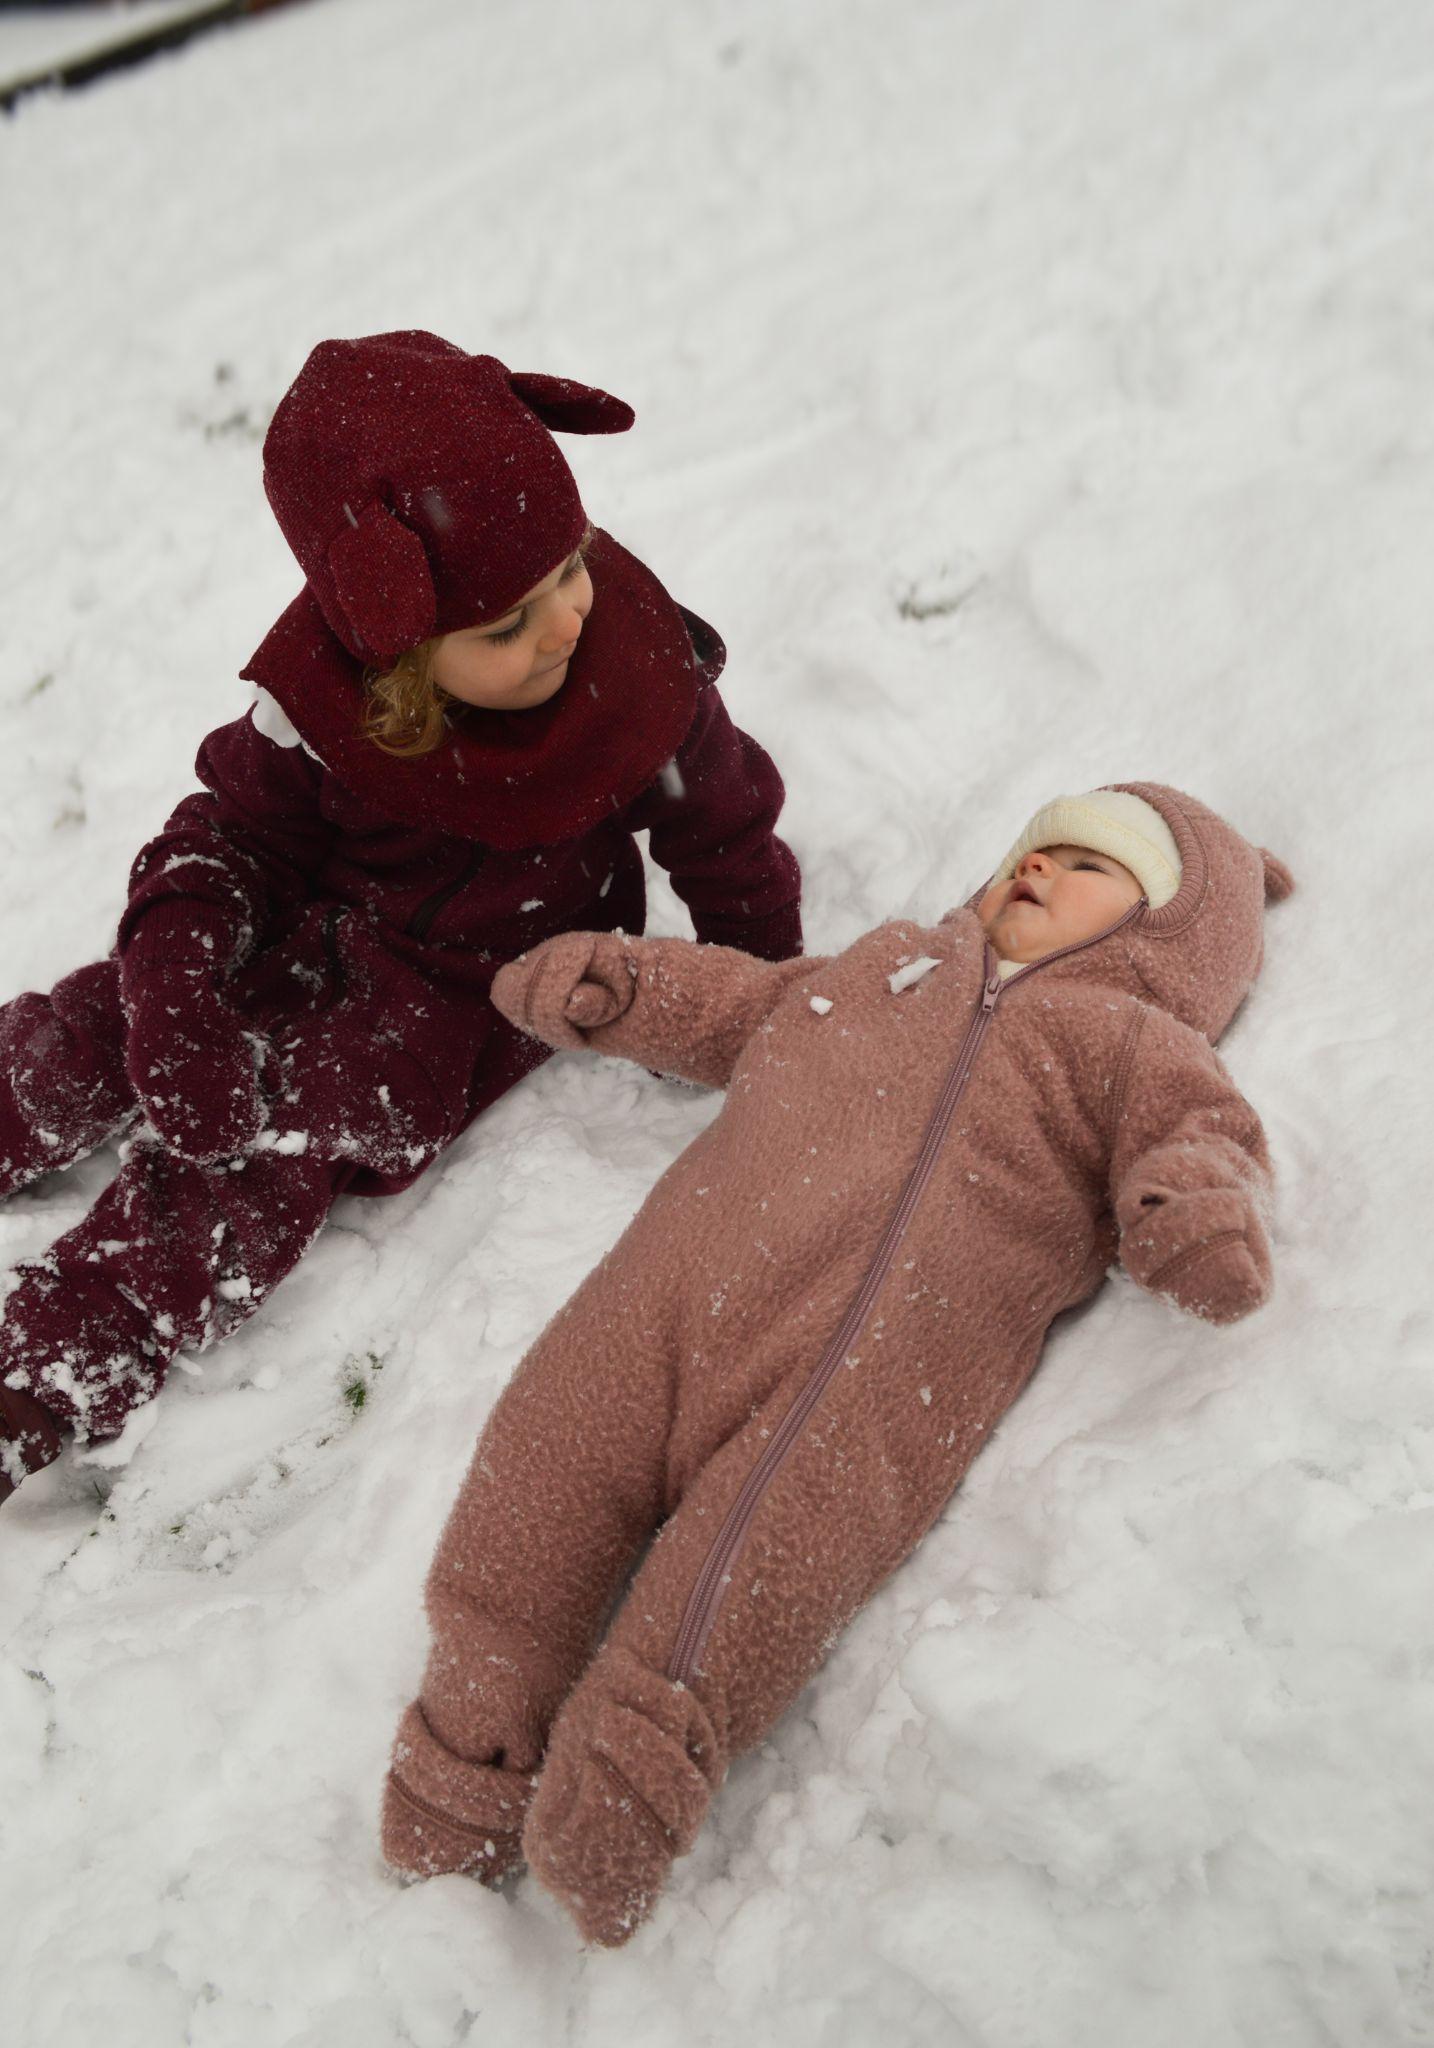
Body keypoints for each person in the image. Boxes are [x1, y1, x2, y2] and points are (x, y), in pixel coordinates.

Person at [381, 783, 1292, 1947]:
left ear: (1169, 932)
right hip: (660, 1303)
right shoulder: (886, 967)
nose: (1040, 872)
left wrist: (1191, 1209)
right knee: (541, 1465)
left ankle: (631, 1776)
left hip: (860, 1384)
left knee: (755, 1565)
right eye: (1036, 849)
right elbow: (751, 1003)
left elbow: (1201, 1131)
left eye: (1087, 868)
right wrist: (624, 987)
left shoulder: (1128, 1043)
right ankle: (469, 1739)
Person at [0, 330, 802, 1501]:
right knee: (89, 1029)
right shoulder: (322, 708)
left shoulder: (637, 676)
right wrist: (173, 993)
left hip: (446, 996)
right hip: (309, 911)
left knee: (269, 1143)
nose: (564, 622)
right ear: (394, 640)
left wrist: (763, 985)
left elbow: (721, 831)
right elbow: (222, 838)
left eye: (568, 569)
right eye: (502, 627)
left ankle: (54, 1361)